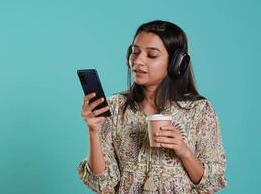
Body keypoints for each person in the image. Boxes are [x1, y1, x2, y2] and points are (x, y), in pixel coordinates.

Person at [77, 20, 227, 193]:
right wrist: (93, 131)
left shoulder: (200, 111)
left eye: (152, 55)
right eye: (135, 52)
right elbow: (101, 183)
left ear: (176, 63)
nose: (138, 61)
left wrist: (184, 151)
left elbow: (211, 182)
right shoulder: (115, 107)